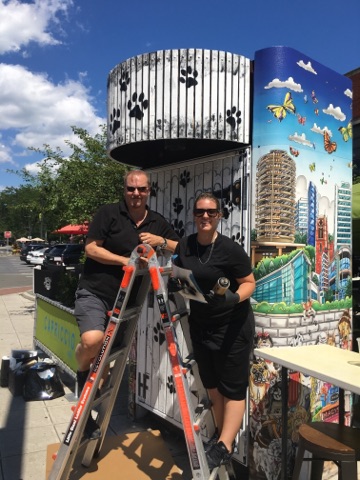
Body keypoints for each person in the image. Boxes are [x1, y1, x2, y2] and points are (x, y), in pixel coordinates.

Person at [74, 169, 179, 438]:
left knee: (104, 366)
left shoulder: (156, 222)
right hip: (96, 291)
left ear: (149, 191)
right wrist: (126, 262)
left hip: (126, 304)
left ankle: (86, 419)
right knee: (92, 340)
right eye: (131, 189)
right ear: (125, 190)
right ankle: (80, 372)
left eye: (141, 189)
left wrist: (162, 242)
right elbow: (91, 248)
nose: (136, 194)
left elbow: (182, 247)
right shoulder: (108, 213)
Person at [173, 192, 255, 469]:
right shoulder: (185, 245)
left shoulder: (231, 249)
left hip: (233, 326)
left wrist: (233, 297)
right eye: (199, 212)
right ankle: (222, 438)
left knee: (232, 388)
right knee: (212, 387)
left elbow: (249, 282)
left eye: (211, 212)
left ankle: (225, 444)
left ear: (219, 215)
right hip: (202, 325)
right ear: (194, 215)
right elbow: (180, 271)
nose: (205, 216)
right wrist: (177, 283)